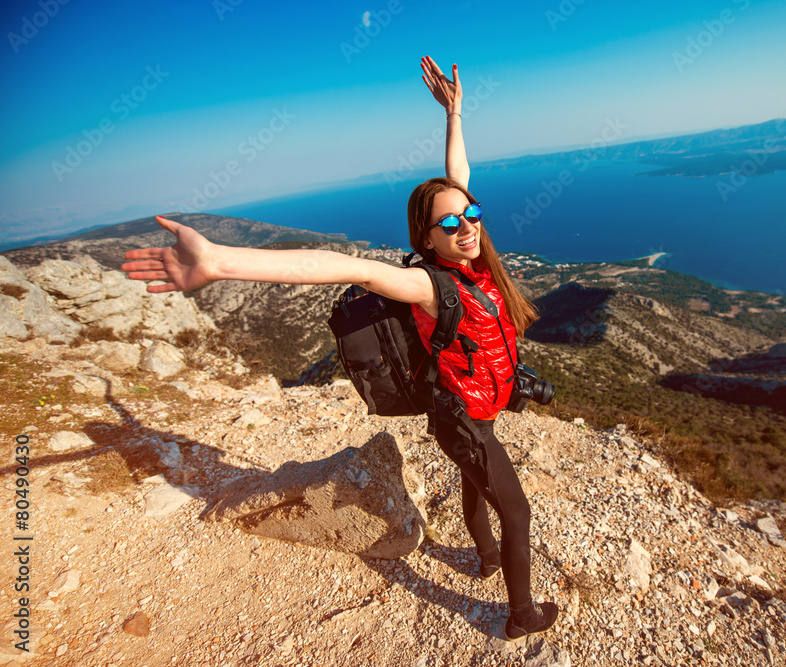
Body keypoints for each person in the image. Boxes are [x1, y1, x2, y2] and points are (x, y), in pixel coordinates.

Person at [121, 56, 559, 641]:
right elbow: (339, 266)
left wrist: (454, 115)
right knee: (516, 508)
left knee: (477, 484)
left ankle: (484, 557)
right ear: (425, 238)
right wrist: (221, 261)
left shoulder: (476, 260)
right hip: (464, 417)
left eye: (471, 214)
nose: (467, 226)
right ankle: (521, 614)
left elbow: (459, 175)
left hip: (474, 410)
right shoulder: (429, 284)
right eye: (450, 223)